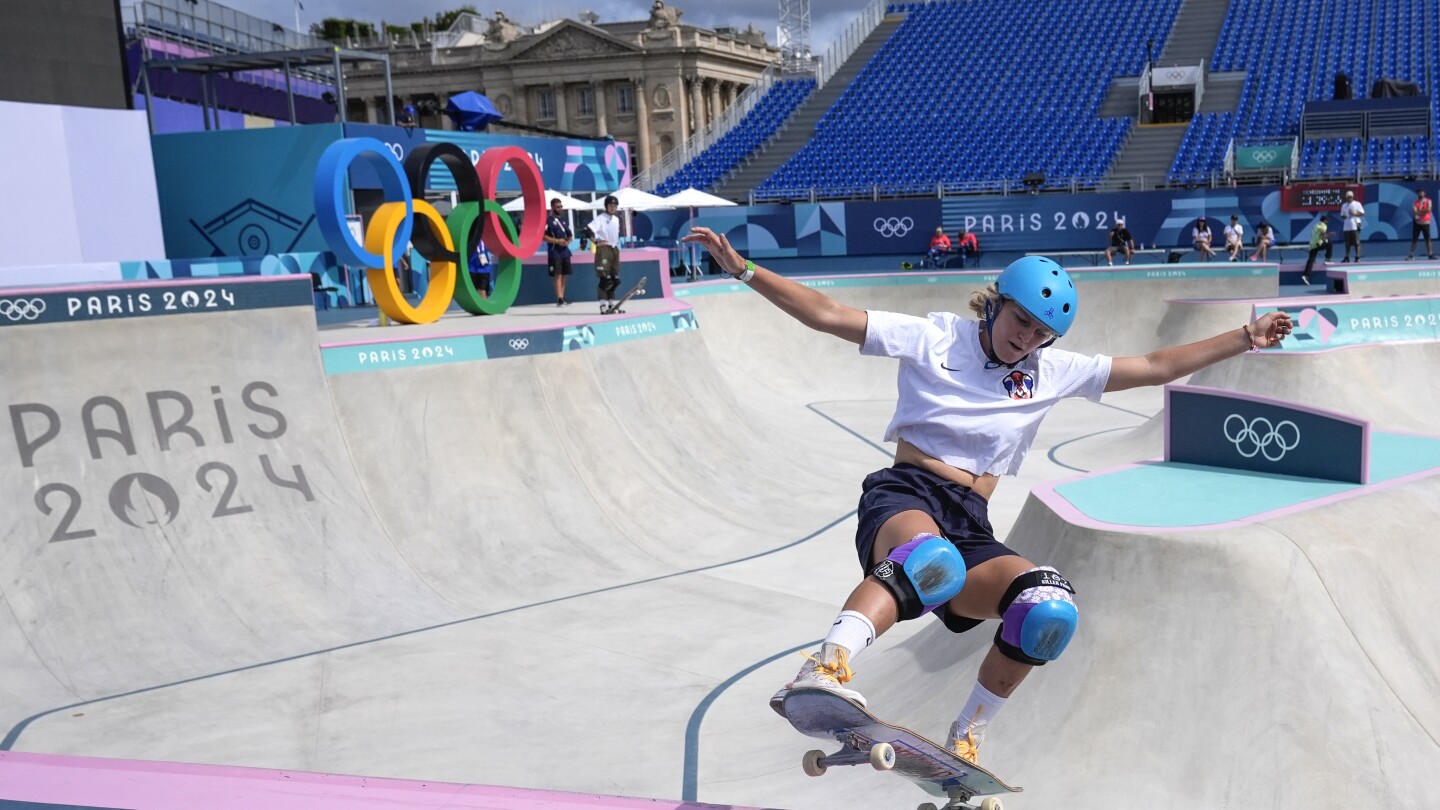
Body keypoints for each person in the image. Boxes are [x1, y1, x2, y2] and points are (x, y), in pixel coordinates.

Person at [679, 227, 1294, 768]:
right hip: (907, 495)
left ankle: (967, 735)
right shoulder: (933, 338)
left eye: (1040, 333)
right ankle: (826, 666)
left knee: (1048, 609)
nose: (1026, 339)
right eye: (1020, 321)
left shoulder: (1050, 370)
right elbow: (827, 313)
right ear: (996, 303)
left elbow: (1157, 364)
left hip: (973, 520)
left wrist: (1247, 334)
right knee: (929, 560)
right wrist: (743, 269)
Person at [589, 195, 623, 303]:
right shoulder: (601, 218)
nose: (613, 208)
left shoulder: (616, 219)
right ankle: (603, 304)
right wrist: (596, 242)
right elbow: (588, 229)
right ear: (606, 206)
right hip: (604, 249)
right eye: (610, 206)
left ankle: (611, 302)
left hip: (614, 249)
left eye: (614, 206)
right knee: (605, 279)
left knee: (615, 280)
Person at [544, 197, 574, 306]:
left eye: (561, 206)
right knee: (558, 274)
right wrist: (556, 241)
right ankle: (559, 298)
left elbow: (570, 235)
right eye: (558, 207)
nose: (560, 208)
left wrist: (567, 242)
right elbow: (543, 236)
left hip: (564, 251)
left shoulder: (563, 220)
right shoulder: (548, 220)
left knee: (564, 274)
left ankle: (563, 296)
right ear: (552, 207)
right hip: (554, 251)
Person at [1302, 215, 1332, 285]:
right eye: (1327, 220)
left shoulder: (1316, 225)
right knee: (1329, 243)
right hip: (1319, 243)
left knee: (1311, 259)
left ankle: (1306, 275)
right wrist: (1330, 234)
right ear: (1324, 220)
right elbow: (1322, 234)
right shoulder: (1324, 225)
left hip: (1312, 244)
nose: (1328, 222)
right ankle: (1328, 258)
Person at [1407, 189, 1435, 260]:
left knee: (1428, 239)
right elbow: (1414, 211)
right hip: (1417, 223)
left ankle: (1430, 255)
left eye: (1421, 192)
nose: (1420, 194)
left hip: (1426, 223)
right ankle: (1411, 255)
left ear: (1424, 193)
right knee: (1414, 240)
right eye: (1419, 193)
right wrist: (1422, 212)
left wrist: (1419, 212)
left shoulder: (1428, 201)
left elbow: (1428, 209)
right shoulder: (1415, 202)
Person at [1339, 190, 1365, 262]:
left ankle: (1357, 257)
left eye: (1350, 197)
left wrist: (1354, 214)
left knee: (1356, 242)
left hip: (1355, 225)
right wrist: (1344, 216)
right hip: (1346, 227)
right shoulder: (1344, 205)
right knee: (1347, 243)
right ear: (1346, 197)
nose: (1349, 198)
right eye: (1348, 197)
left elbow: (1362, 213)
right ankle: (1347, 257)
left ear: (1353, 197)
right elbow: (1342, 215)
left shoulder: (1357, 204)